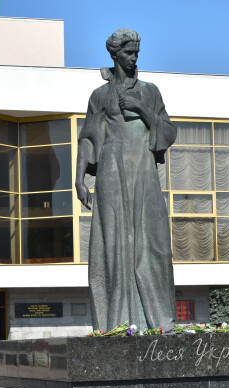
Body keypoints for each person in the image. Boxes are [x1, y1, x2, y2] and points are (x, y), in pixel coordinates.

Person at [75, 29, 177, 331]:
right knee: (114, 245)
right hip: (111, 171)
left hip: (143, 171)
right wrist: (79, 179)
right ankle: (117, 322)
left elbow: (168, 132)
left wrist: (141, 109)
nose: (134, 58)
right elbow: (88, 139)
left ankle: (158, 320)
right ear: (115, 54)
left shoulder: (150, 91)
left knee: (154, 243)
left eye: (136, 53)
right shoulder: (99, 95)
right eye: (129, 52)